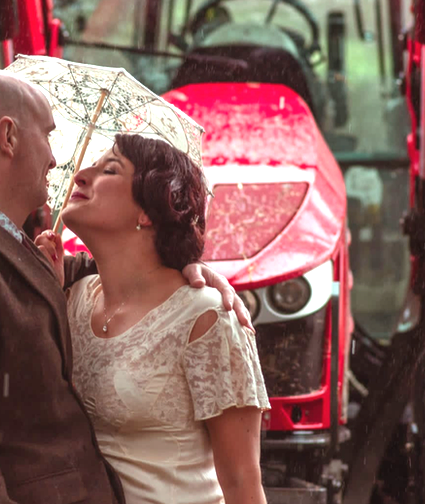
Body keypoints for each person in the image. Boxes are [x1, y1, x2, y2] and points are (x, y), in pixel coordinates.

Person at [0, 67, 250, 504]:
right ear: (8, 137)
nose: (58, 161)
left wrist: (181, 267)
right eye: (47, 135)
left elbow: (92, 273)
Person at [36, 134, 271, 504]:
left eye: (109, 169)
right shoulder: (70, 299)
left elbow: (242, 484)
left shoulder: (205, 316)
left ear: (149, 209)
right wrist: (45, 289)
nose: (81, 175)